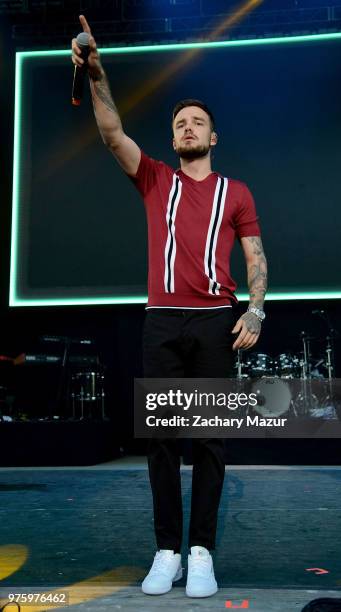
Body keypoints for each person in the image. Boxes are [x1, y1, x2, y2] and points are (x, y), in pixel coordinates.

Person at [72, 15, 268, 599]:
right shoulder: (156, 179)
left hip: (215, 323)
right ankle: (166, 551)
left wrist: (254, 311)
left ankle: (202, 551)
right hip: (161, 321)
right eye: (180, 122)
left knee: (208, 439)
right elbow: (111, 132)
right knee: (161, 439)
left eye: (197, 122)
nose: (187, 127)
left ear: (213, 137)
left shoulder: (237, 192)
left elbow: (256, 257)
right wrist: (98, 72)